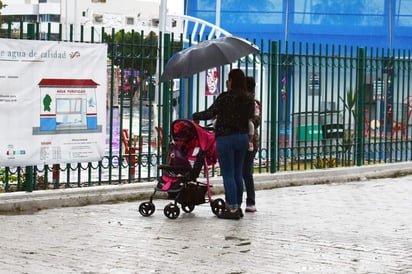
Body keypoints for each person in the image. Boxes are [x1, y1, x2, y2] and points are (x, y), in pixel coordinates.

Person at [192, 68, 255, 220]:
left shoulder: (224, 98)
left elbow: (210, 113)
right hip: (242, 138)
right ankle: (237, 206)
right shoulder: (248, 99)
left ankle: (231, 208)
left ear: (232, 81)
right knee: (237, 173)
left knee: (228, 174)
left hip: (226, 138)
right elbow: (250, 116)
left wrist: (196, 115)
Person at [243, 76, 261, 213]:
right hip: (240, 138)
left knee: (246, 172)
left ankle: (250, 201)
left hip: (250, 142)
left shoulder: (254, 103)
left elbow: (256, 121)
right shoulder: (239, 100)